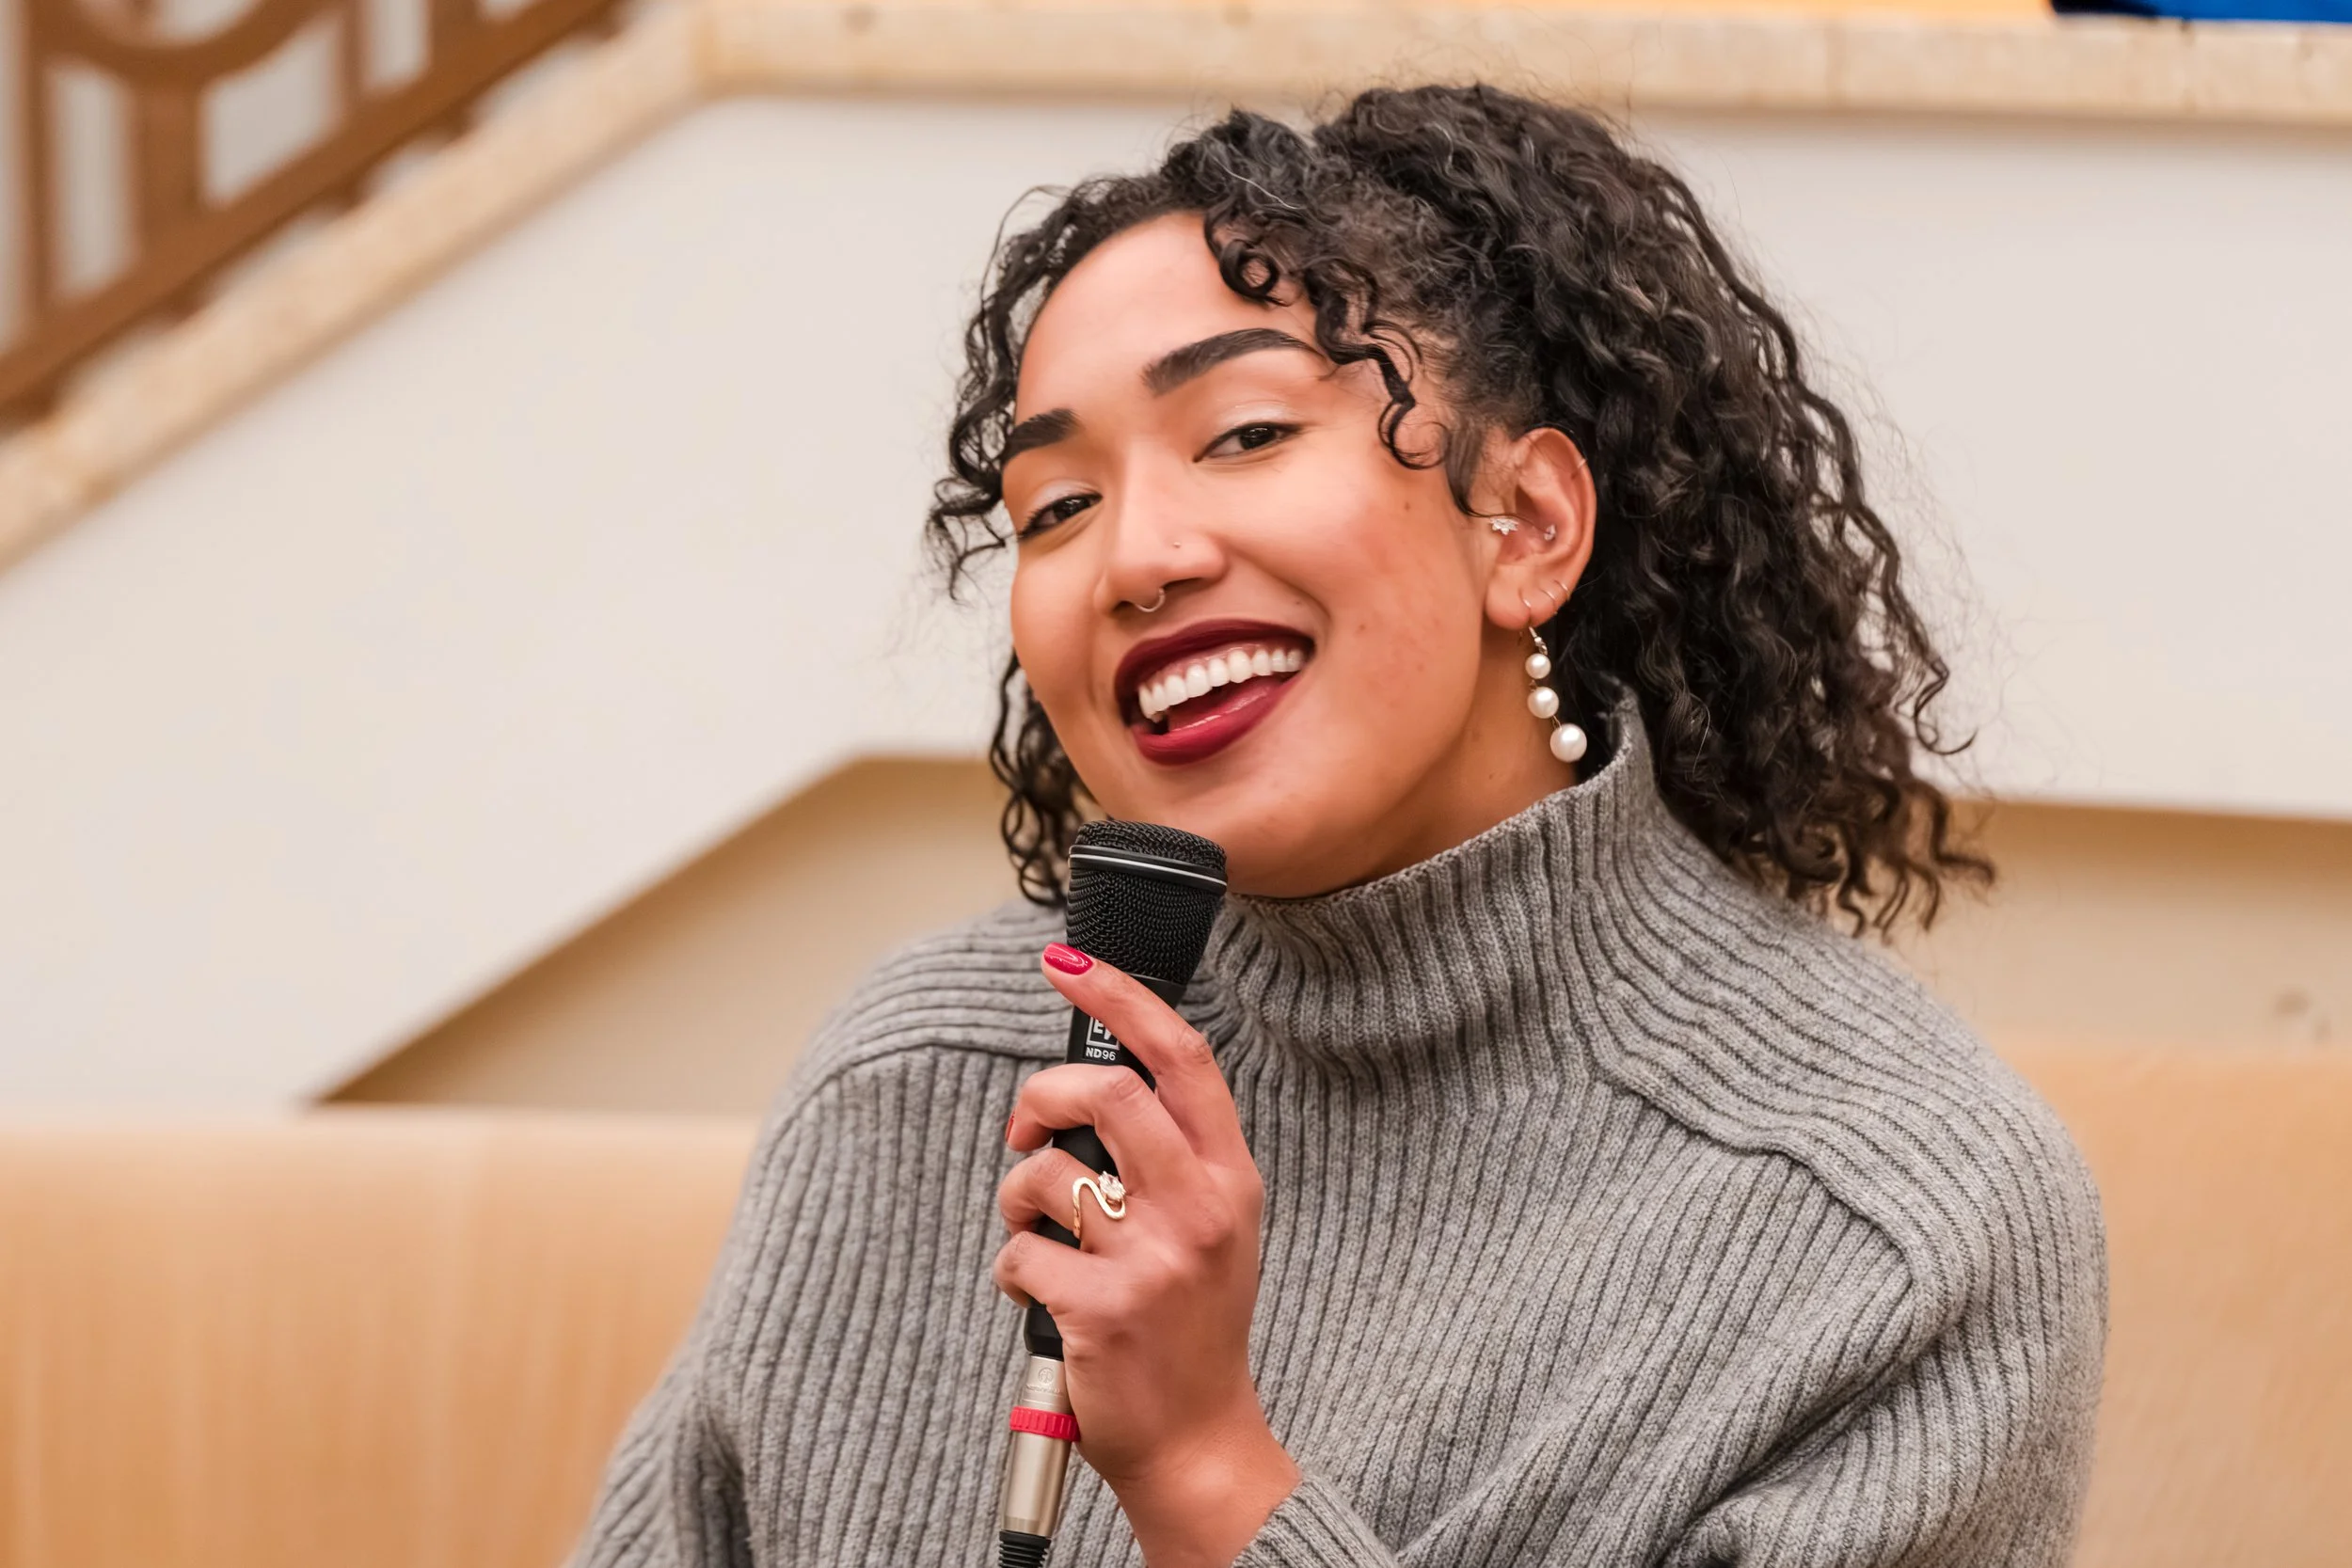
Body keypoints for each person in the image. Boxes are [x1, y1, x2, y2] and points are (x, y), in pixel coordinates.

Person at [575, 85, 2106, 1568]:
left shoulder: (1898, 1225)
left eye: (1240, 433)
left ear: (1527, 526)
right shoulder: (917, 1079)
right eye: (1053, 507)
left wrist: (1205, 1475)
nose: (1135, 557)